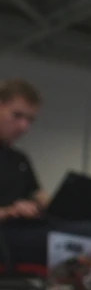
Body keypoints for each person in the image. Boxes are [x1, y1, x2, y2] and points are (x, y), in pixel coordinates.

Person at [0, 79, 48, 222]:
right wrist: (8, 212)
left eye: (29, 120)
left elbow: (37, 194)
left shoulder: (20, 160)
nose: (23, 127)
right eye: (17, 115)